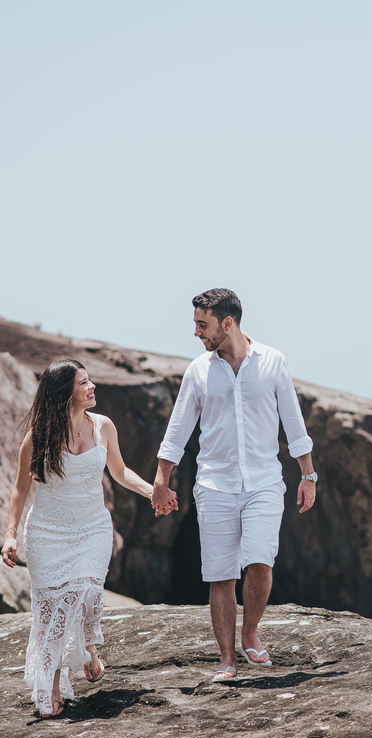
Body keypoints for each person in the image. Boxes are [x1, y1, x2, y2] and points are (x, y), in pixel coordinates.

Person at [152, 288, 317, 683]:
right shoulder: (198, 370)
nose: (196, 332)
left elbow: (294, 424)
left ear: (228, 323)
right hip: (214, 484)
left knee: (260, 561)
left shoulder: (273, 361)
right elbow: (178, 430)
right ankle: (227, 658)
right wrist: (161, 479)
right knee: (221, 573)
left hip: (264, 482)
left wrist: (308, 476)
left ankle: (250, 632)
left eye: (202, 324)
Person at [1, 359, 176, 717]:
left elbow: (120, 472)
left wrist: (154, 492)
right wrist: (10, 536)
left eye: (90, 380)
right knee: (51, 610)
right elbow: (20, 489)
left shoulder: (103, 426)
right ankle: (51, 686)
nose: (92, 386)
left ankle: (86, 647)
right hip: (47, 532)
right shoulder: (38, 437)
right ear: (64, 392)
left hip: (93, 528)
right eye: (83, 382)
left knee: (86, 591)